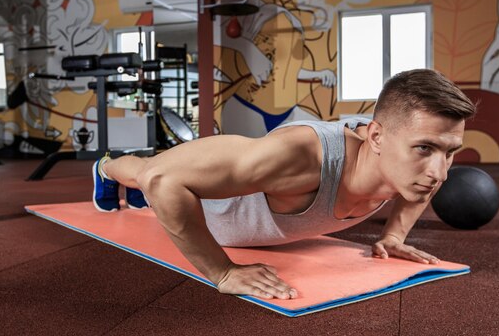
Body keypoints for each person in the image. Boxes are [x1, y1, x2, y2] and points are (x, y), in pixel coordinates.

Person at [92, 69, 477, 300]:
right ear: (375, 138)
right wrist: (222, 272)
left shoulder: (406, 156)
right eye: (425, 149)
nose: (440, 172)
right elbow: (165, 181)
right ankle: (106, 166)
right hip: (218, 211)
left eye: (450, 152)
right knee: (147, 171)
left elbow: (423, 178)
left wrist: (394, 235)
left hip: (269, 182)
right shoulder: (300, 159)